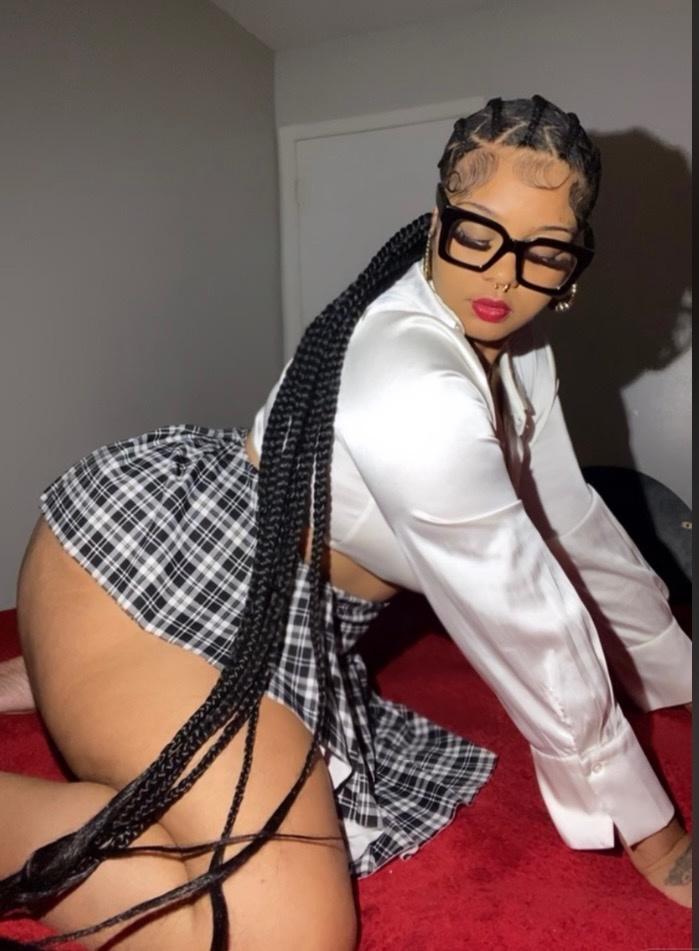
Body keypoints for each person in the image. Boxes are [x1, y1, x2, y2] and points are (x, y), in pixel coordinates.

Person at [0, 95, 692, 950]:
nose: (503, 278)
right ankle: (93, 652)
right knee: (287, 934)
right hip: (149, 568)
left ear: (572, 262)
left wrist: (672, 670)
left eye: (542, 251)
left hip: (286, 616)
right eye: (477, 233)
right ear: (435, 222)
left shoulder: (521, 357)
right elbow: (524, 617)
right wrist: (657, 835)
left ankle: (59, 670)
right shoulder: (414, 385)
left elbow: (570, 524)